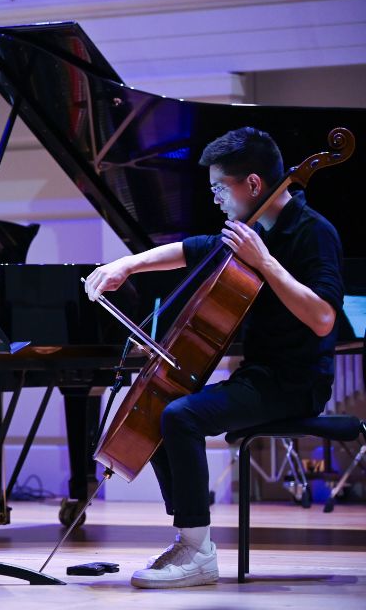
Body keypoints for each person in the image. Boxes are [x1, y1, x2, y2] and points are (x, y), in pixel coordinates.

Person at [84, 127, 343, 589]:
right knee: (162, 408)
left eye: (220, 187)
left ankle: (200, 553)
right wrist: (125, 265)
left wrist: (265, 263)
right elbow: (193, 249)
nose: (217, 198)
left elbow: (323, 318)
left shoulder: (313, 234)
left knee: (181, 416)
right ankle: (190, 539)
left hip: (296, 383)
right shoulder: (254, 227)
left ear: (254, 185)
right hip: (260, 376)